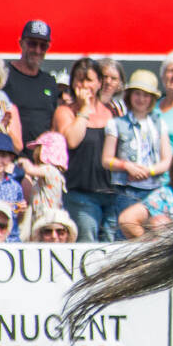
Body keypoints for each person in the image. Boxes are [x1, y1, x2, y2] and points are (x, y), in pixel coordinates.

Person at [54, 57, 118, 242]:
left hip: (111, 192)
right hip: (80, 193)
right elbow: (72, 141)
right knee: (87, 246)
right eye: (79, 80)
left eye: (88, 80)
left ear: (99, 82)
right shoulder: (66, 111)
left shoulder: (111, 113)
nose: (83, 85)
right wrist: (83, 110)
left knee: (112, 246)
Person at [103, 69, 170, 232]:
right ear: (129, 95)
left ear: (152, 99)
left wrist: (149, 171)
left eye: (146, 95)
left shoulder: (159, 123)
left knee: (155, 232)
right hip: (126, 190)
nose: (141, 99)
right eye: (137, 94)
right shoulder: (116, 123)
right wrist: (127, 166)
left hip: (154, 189)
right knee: (125, 232)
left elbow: (167, 160)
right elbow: (106, 160)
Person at [3, 19, 59, 148]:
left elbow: (54, 124)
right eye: (32, 44)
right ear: (21, 43)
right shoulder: (5, 76)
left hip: (41, 158)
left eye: (43, 46)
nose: (37, 50)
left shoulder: (49, 81)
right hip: (9, 157)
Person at [23, 130, 69, 233]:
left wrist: (22, 161)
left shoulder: (49, 170)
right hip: (41, 216)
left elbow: (29, 170)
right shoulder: (48, 173)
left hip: (46, 218)